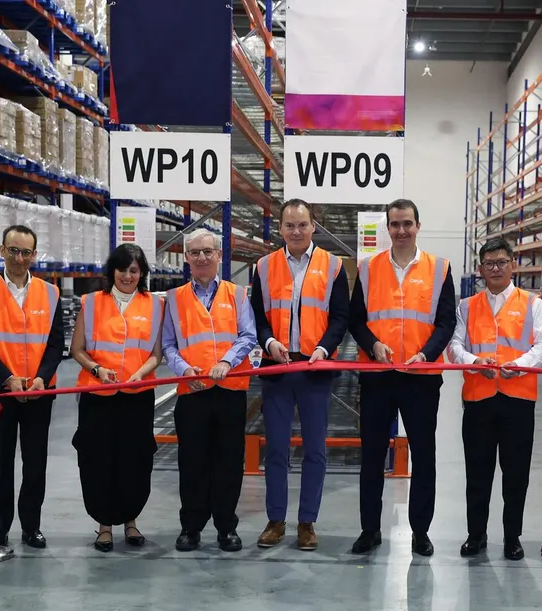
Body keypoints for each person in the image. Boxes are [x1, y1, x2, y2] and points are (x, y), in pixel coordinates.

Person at [349, 198, 457, 556]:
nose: (401, 230)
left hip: (420, 377)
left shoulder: (439, 268)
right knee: (372, 456)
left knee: (423, 455)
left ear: (418, 226)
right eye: (394, 224)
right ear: (387, 227)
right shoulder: (368, 268)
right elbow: (356, 319)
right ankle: (370, 530)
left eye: (407, 223)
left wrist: (426, 354)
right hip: (378, 376)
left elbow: (446, 322)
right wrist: (373, 345)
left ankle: (420, 532)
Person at [250, 199, 350, 551]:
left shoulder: (333, 266)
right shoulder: (264, 267)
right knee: (276, 449)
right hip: (277, 368)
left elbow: (340, 317)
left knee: (315, 450)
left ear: (313, 227)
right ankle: (275, 520)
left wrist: (323, 348)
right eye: (289, 225)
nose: (296, 231)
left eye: (302, 225)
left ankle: (307, 522)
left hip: (314, 369)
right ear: (280, 229)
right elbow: (257, 316)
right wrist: (269, 342)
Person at [446, 238, 542, 560]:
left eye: (502, 262)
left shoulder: (532, 304)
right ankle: (475, 535)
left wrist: (519, 365)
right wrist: (474, 361)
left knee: (516, 473)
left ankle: (512, 537)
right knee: (477, 473)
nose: (496, 268)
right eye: (489, 263)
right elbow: (455, 345)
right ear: (480, 269)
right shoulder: (466, 306)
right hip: (478, 400)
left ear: (513, 265)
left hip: (517, 400)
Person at [161, 229, 258, 553]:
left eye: (207, 251)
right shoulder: (174, 298)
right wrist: (184, 370)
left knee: (229, 462)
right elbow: (169, 344)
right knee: (192, 463)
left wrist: (227, 361)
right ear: (186, 258)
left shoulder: (238, 294)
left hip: (229, 390)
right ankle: (191, 527)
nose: (201, 257)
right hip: (192, 392)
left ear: (219, 255)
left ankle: (226, 527)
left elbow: (248, 335)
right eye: (194, 252)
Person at [0, 225, 63, 550]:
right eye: (13, 251)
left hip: (39, 392)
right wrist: (6, 378)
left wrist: (41, 378)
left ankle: (31, 527)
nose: (20, 258)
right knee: (0, 464)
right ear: (2, 250)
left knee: (35, 464)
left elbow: (55, 344)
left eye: (26, 252)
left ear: (34, 255)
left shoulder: (51, 293)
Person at [70, 244, 164, 553]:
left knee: (135, 459)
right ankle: (104, 526)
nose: (127, 275)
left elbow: (156, 354)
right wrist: (96, 369)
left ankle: (131, 521)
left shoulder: (154, 306)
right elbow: (77, 349)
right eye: (122, 269)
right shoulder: (92, 303)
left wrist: (140, 373)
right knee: (98, 459)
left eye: (134, 270)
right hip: (98, 397)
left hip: (137, 396)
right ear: (112, 271)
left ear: (142, 273)